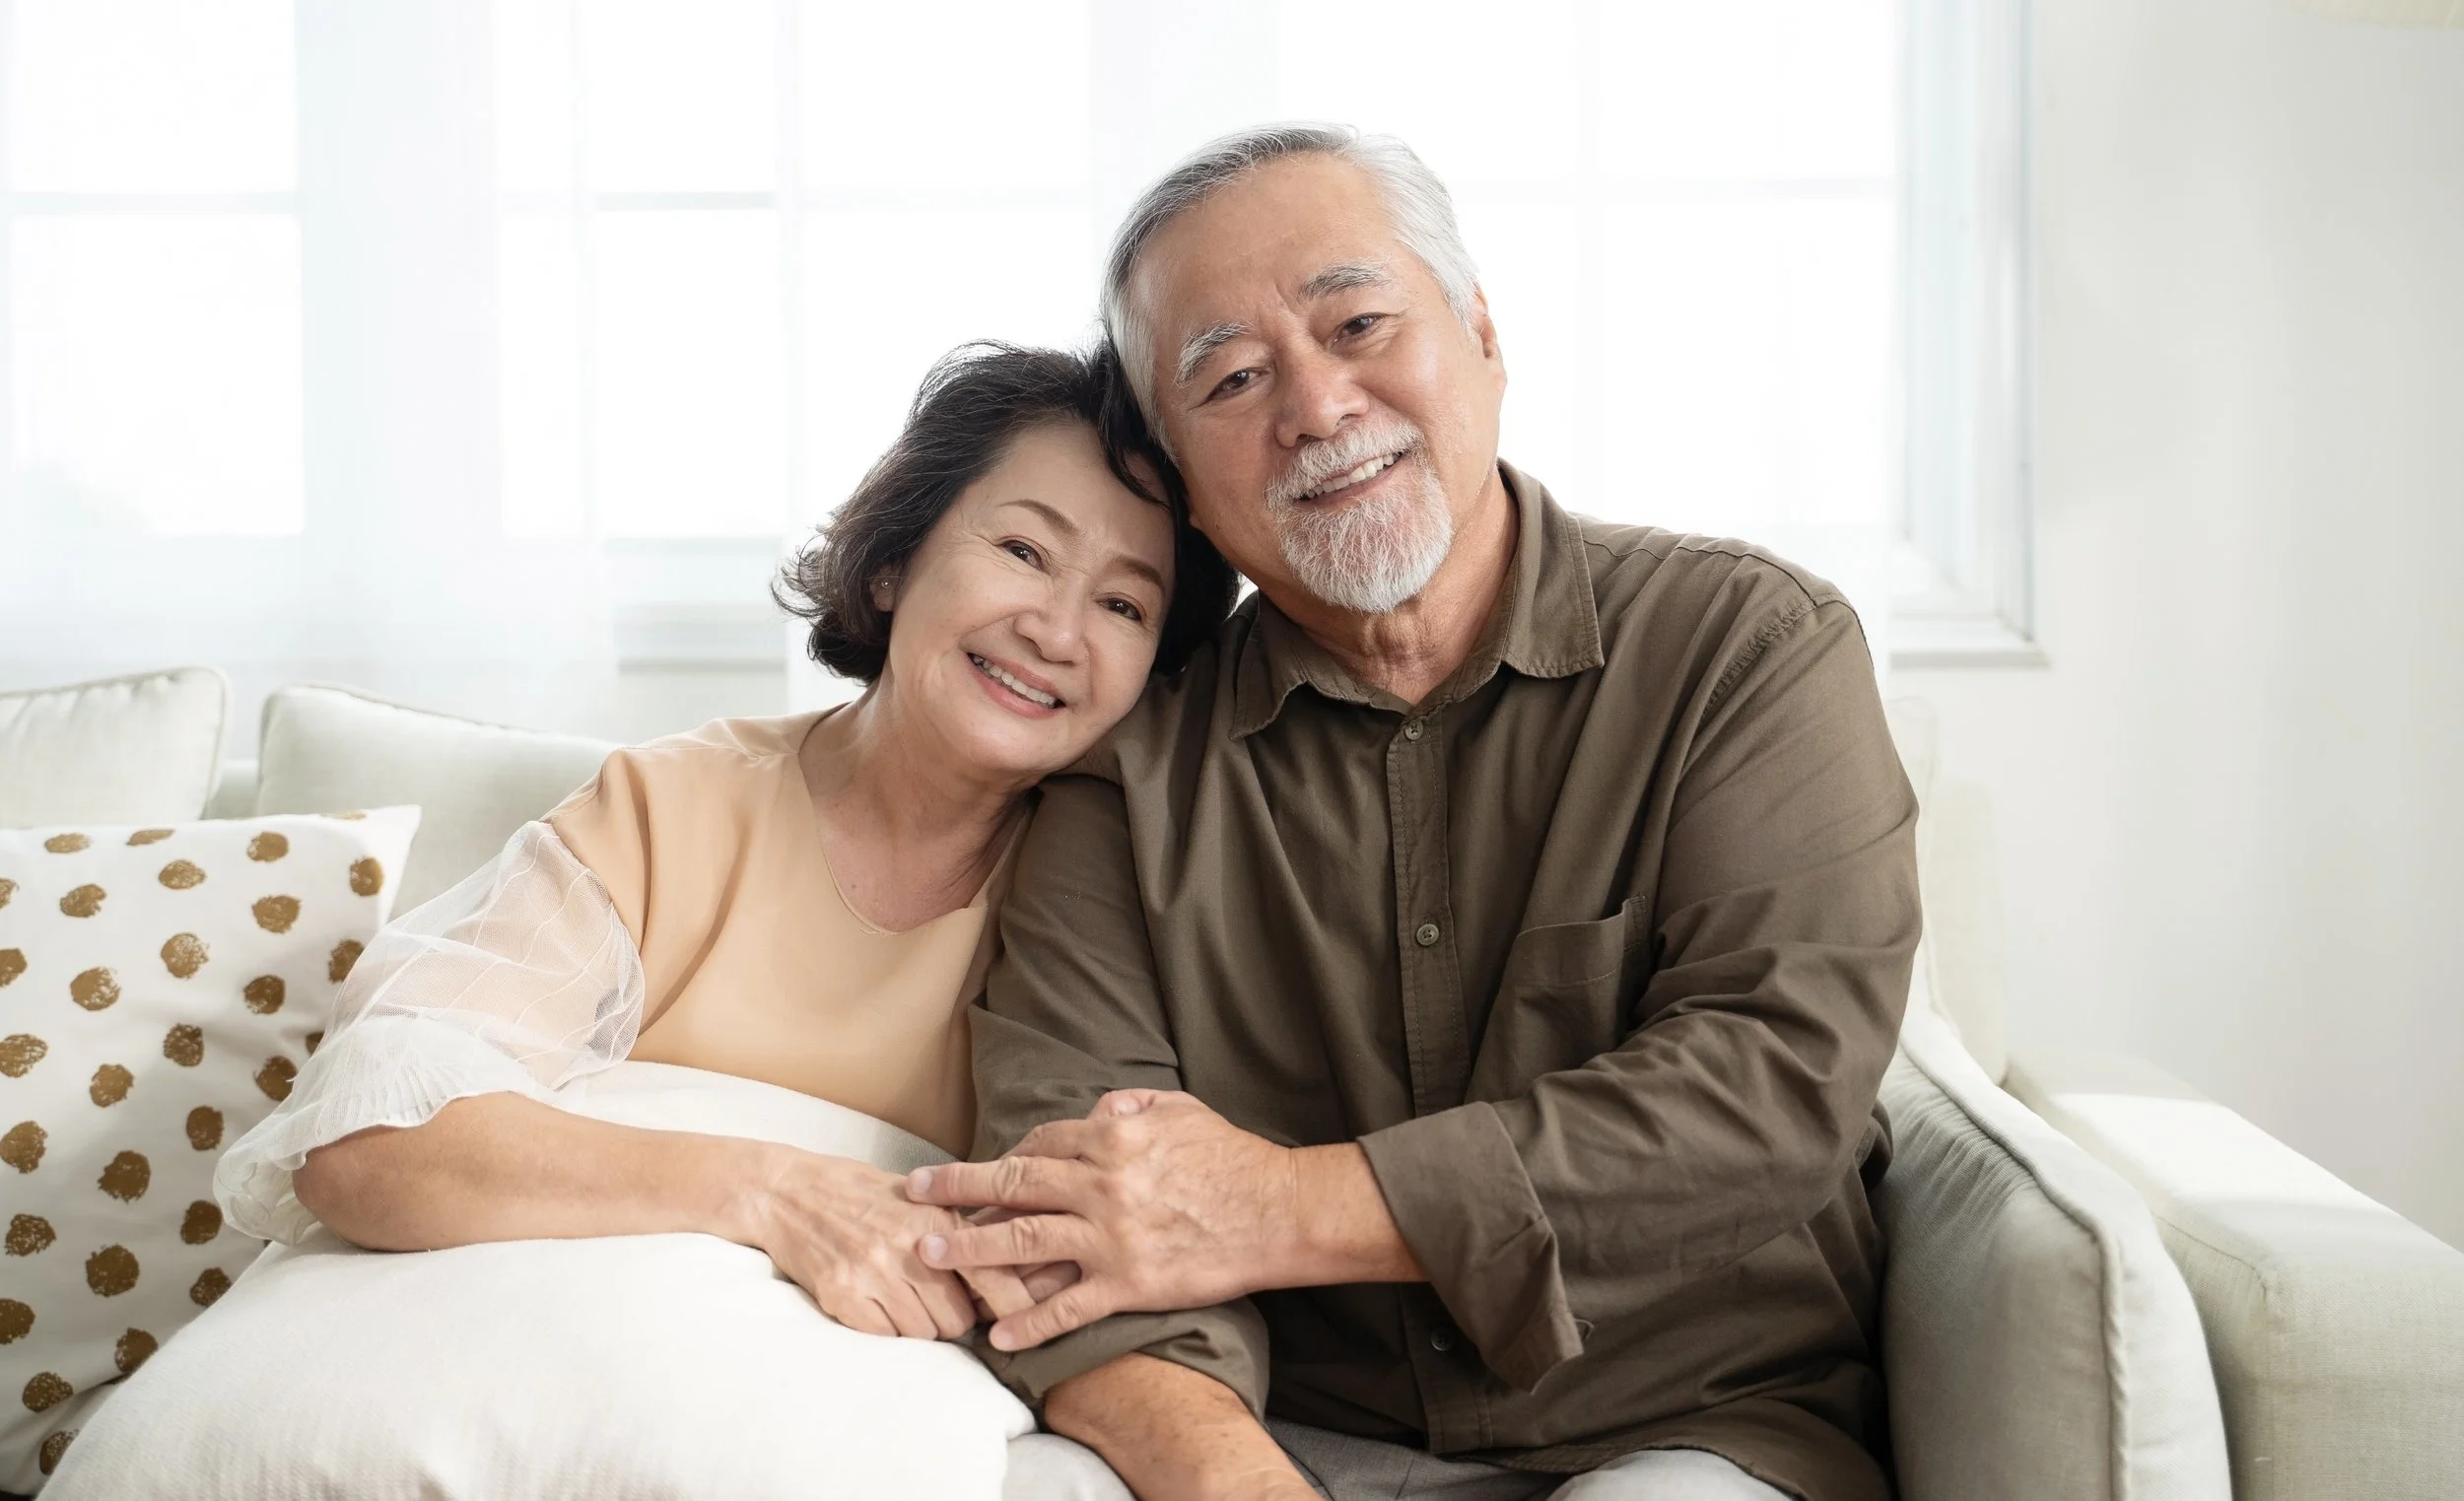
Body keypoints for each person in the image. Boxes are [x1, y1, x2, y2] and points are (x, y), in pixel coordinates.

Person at [908, 127, 1922, 1501]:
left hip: (1694, 1427)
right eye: (1234, 376)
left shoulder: (1747, 646)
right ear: (1185, 488)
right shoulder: (1123, 770)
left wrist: (1269, 1204)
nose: (1319, 407)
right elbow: (1070, 1199)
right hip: (1289, 1436)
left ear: (1484, 335)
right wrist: (1239, 1480)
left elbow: (1770, 1088)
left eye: (1360, 322)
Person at [211, 341, 1236, 1343]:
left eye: (1121, 603)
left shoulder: (1124, 888)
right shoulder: (669, 809)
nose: (1057, 630)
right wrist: (776, 1192)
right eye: (1023, 551)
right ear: (893, 563)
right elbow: (368, 1139)